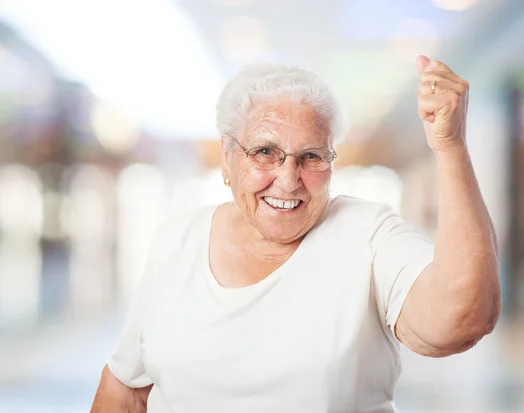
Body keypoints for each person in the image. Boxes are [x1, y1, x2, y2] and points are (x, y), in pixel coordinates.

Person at [91, 55, 501, 413]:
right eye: (265, 152)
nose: (288, 180)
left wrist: (450, 147)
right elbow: (125, 390)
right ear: (228, 160)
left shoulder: (367, 234)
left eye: (310, 157)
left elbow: (459, 322)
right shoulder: (177, 239)